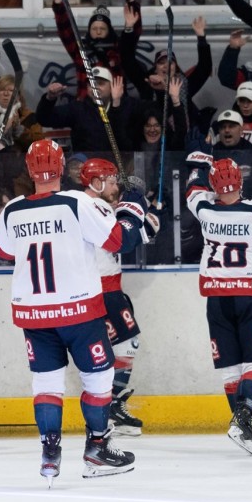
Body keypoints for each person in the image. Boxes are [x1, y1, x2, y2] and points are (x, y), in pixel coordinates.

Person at [0, 139, 150, 484]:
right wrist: (134, 208)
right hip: (80, 311)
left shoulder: (14, 208)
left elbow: (0, 248)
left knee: (46, 383)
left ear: (30, 171)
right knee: (99, 377)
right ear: (62, 168)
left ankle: (50, 453)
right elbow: (119, 241)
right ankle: (97, 449)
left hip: (34, 314)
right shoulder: (78, 202)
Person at [185, 155, 252, 454]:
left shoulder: (204, 209)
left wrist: (198, 160)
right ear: (240, 181)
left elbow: (192, 189)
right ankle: (244, 416)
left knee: (230, 369)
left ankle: (242, 426)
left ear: (214, 186)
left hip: (217, 299)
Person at [78, 159, 160, 437]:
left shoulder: (96, 207)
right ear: (96, 183)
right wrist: (137, 211)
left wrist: (142, 223)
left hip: (107, 288)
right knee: (121, 346)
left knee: (120, 346)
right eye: (112, 182)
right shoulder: (93, 207)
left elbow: (125, 234)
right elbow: (123, 235)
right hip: (100, 290)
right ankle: (109, 405)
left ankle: (110, 405)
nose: (116, 187)